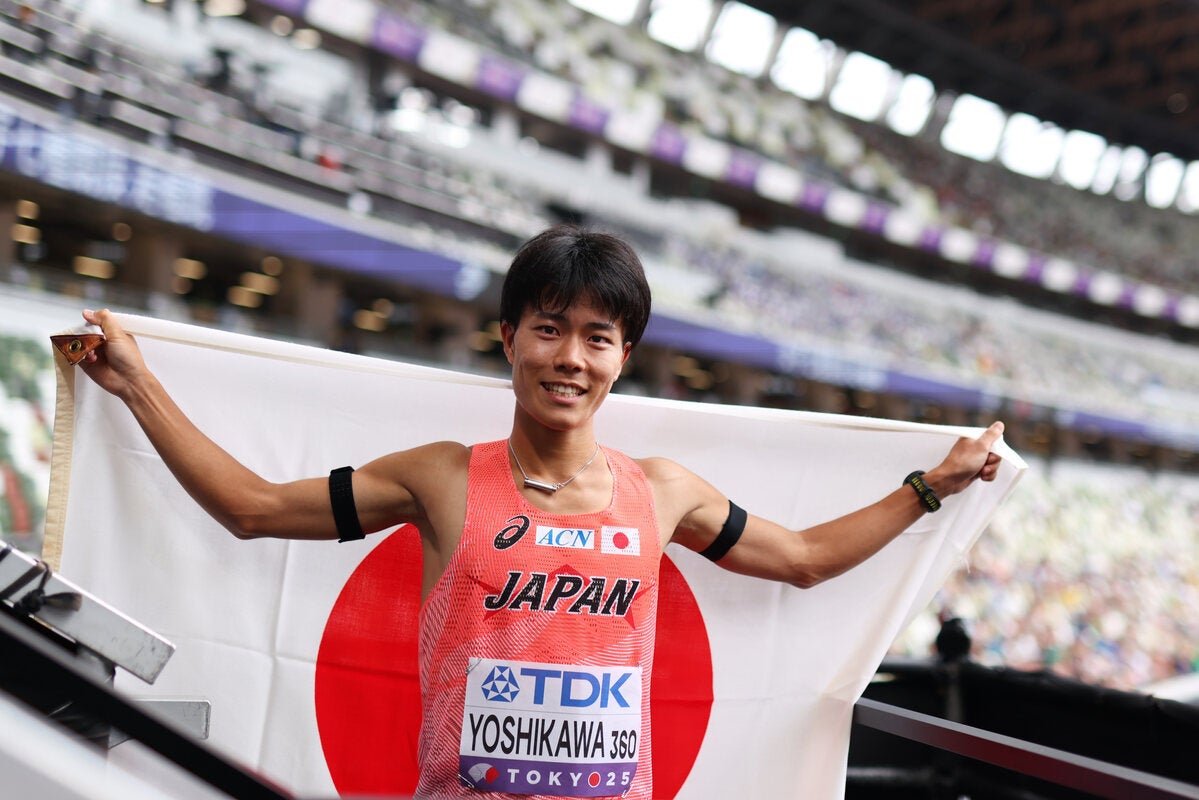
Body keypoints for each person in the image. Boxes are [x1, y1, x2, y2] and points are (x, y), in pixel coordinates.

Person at [78, 224, 1003, 800]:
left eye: (597, 337)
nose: (570, 357)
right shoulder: (441, 479)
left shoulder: (664, 492)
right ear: (509, 338)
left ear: (622, 357)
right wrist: (138, 386)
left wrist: (932, 485)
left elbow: (801, 558)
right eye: (549, 329)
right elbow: (250, 508)